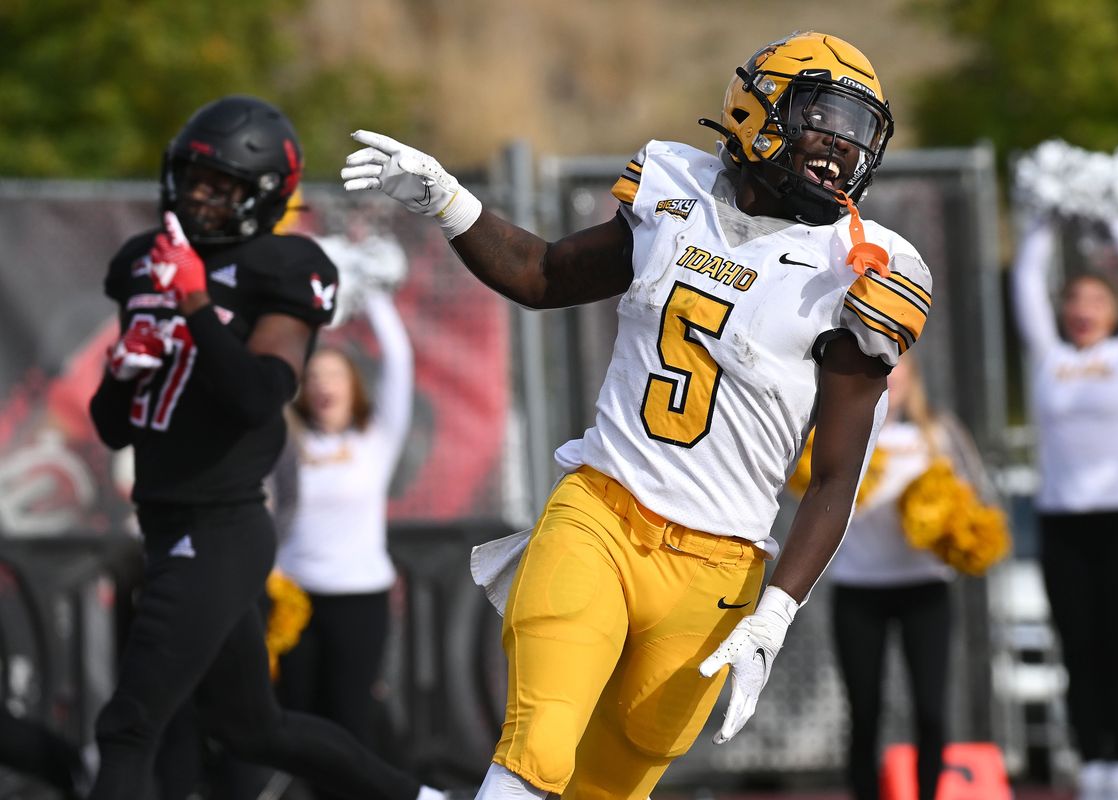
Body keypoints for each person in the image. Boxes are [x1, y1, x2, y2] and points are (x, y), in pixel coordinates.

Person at [345, 30, 934, 799]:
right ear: (758, 113)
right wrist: (450, 202)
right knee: (534, 751)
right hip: (601, 509)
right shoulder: (673, 189)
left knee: (608, 786)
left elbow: (833, 480)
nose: (841, 149)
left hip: (719, 570)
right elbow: (543, 273)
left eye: (859, 132)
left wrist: (778, 612)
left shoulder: (861, 269)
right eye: (822, 118)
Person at [86, 94, 441, 800]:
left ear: (263, 195)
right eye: (192, 178)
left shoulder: (279, 265)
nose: (199, 196)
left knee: (128, 727)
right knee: (253, 729)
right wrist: (125, 369)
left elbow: (257, 395)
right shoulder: (144, 263)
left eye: (221, 185)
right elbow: (115, 426)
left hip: (218, 527)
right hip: (164, 520)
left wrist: (191, 308)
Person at [1011, 213, 1118, 800]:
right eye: (1074, 298)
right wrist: (1044, 223)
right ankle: (1091, 765)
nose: (1082, 307)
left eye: (1095, 299)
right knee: (1077, 649)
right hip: (1063, 523)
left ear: (1114, 311)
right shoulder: (1049, 358)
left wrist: (1115, 221)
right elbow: (1026, 282)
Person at [824, 354, 990, 800]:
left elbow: (977, 504)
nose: (889, 375)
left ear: (914, 374)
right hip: (858, 589)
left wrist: (952, 523)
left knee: (931, 709)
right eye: (879, 364)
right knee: (865, 710)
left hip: (924, 589)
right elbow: (808, 489)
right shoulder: (840, 428)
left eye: (897, 365)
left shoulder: (938, 433)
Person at [274, 287, 414, 788]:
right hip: (295, 600)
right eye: (313, 377)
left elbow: (400, 364)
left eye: (333, 375)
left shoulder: (375, 440)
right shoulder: (288, 443)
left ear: (353, 386)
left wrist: (373, 294)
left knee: (351, 718)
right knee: (298, 720)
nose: (321, 385)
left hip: (359, 599)